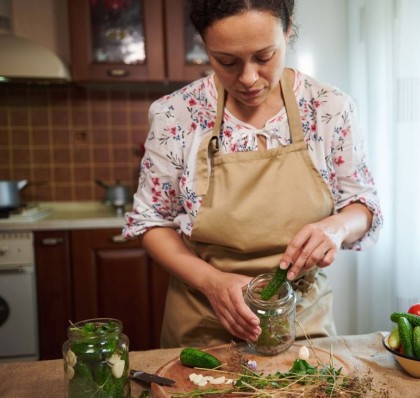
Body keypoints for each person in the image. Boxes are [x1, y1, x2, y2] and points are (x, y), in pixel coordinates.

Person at [123, 0, 383, 348]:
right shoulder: (177, 114)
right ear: (205, 46)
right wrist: (213, 283)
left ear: (288, 32)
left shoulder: (329, 108)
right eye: (226, 61)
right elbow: (151, 223)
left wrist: (336, 227)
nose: (247, 78)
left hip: (302, 319)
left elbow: (362, 205)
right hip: (203, 322)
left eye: (264, 57)